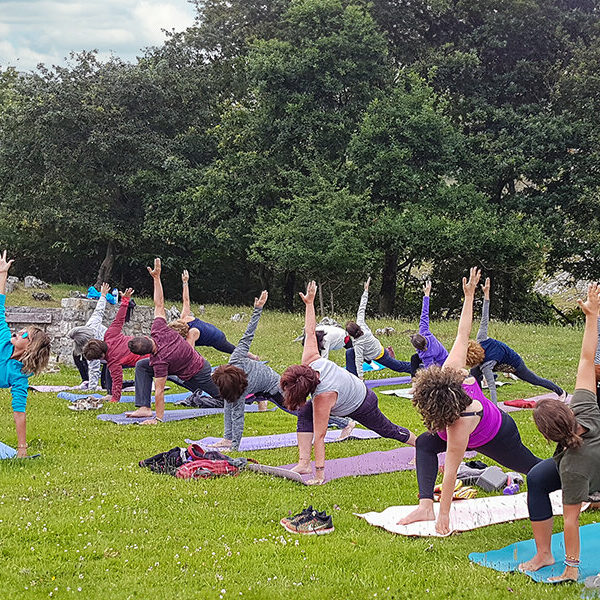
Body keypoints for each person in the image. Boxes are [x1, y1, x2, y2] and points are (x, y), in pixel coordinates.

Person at [398, 268, 541, 534]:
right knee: (427, 444)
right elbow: (463, 334)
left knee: (533, 469)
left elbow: (451, 472)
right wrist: (469, 295)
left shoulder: (459, 424)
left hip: (498, 435)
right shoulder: (451, 371)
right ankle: (424, 505)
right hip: (473, 425)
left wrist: (445, 517)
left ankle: (572, 478)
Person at [280, 281, 416, 485]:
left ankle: (420, 446)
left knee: (387, 430)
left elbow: (320, 437)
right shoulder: (309, 360)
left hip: (363, 402)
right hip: (347, 392)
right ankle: (303, 463)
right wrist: (309, 303)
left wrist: (320, 475)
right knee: (304, 413)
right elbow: (310, 331)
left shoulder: (323, 397)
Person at [518, 283, 600, 582]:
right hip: (588, 459)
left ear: (547, 437)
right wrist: (592, 317)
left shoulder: (573, 469)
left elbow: (571, 520)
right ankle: (543, 553)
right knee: (538, 478)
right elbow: (586, 360)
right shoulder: (584, 406)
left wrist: (572, 568)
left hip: (593, 468)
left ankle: (564, 563)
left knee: (572, 511)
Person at [211, 291, 355, 450]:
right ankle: (227, 438)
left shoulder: (239, 386)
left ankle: (346, 423)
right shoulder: (235, 366)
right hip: (257, 385)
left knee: (302, 411)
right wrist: (258, 308)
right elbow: (247, 335)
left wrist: (235, 448)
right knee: (228, 404)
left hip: (273, 386)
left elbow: (238, 417)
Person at [126, 258, 221, 424]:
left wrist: (159, 419)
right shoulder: (160, 330)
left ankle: (252, 394)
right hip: (184, 370)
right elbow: (159, 303)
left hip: (199, 372)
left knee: (225, 397)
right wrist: (156, 278)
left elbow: (160, 391)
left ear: (145, 353)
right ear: (149, 337)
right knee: (143, 367)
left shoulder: (160, 361)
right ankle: (144, 407)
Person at [466, 278, 564, 403]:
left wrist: (496, 410)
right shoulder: (481, 339)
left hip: (514, 364)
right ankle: (479, 401)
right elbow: (485, 317)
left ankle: (560, 392)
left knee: (534, 380)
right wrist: (486, 294)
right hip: (496, 360)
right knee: (474, 373)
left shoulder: (486, 365)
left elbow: (492, 388)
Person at [0, 250, 51, 457]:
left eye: (23, 334)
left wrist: (22, 449)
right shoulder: (4, 339)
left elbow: (19, 411)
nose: (17, 333)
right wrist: (3, 274)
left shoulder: (20, 374)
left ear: (29, 347)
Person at [168, 270, 258, 360]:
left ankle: (252, 357)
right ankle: (251, 355)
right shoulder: (184, 318)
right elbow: (186, 300)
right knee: (232, 349)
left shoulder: (192, 333)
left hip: (217, 337)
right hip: (212, 329)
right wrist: (185, 282)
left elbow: (190, 355)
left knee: (232, 350)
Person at [83, 287, 147, 403]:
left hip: (147, 358)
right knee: (109, 369)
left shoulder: (113, 362)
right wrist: (125, 300)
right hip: (147, 342)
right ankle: (109, 393)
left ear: (102, 355)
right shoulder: (109, 334)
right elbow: (119, 319)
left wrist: (115, 399)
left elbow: (118, 381)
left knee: (172, 374)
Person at [345, 277, 411, 379]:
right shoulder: (361, 324)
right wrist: (366, 291)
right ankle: (352, 378)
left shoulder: (358, 343)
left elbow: (358, 360)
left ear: (351, 334)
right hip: (371, 351)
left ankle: (418, 368)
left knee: (398, 366)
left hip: (380, 355)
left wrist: (361, 377)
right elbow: (362, 308)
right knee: (349, 352)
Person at [68, 282, 109, 390]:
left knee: (106, 385)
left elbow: (94, 368)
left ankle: (131, 383)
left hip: (110, 354)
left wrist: (92, 389)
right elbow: (99, 310)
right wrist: (103, 296)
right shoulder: (91, 324)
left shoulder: (94, 344)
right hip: (99, 352)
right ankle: (85, 379)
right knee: (75, 354)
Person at [409, 281, 449, 376]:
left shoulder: (426, 355)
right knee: (414, 358)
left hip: (442, 363)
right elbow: (424, 314)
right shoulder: (424, 331)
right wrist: (426, 295)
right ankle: (414, 379)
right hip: (443, 355)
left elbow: (431, 371)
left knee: (432, 373)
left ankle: (415, 383)